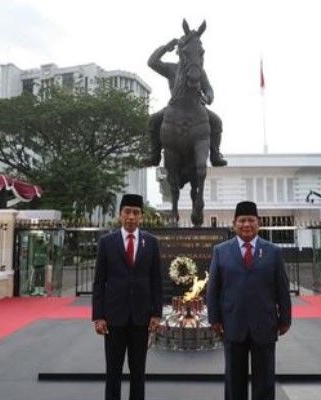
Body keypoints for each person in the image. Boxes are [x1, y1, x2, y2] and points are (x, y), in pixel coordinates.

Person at [207, 201, 292, 400]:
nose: (246, 224)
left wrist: (285, 319)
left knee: (265, 380)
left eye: (251, 220)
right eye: (242, 220)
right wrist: (214, 319)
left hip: (264, 324)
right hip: (233, 323)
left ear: (258, 223)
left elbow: (282, 288)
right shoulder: (221, 251)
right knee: (234, 379)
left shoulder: (273, 251)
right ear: (234, 223)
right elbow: (213, 289)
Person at [92, 194, 163, 400]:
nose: (131, 217)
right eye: (127, 212)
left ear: (141, 216)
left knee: (138, 371)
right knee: (113, 371)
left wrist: (156, 314)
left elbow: (156, 281)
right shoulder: (107, 242)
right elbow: (99, 282)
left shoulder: (151, 242)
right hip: (114, 317)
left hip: (141, 318)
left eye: (136, 213)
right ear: (120, 215)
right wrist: (98, 316)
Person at [142, 34, 227, 167]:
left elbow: (209, 89)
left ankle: (215, 154)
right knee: (154, 120)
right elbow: (152, 62)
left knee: (216, 121)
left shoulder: (199, 71)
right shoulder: (170, 68)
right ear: (180, 53)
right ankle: (155, 154)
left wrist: (207, 98)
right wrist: (165, 48)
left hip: (197, 107)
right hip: (175, 107)